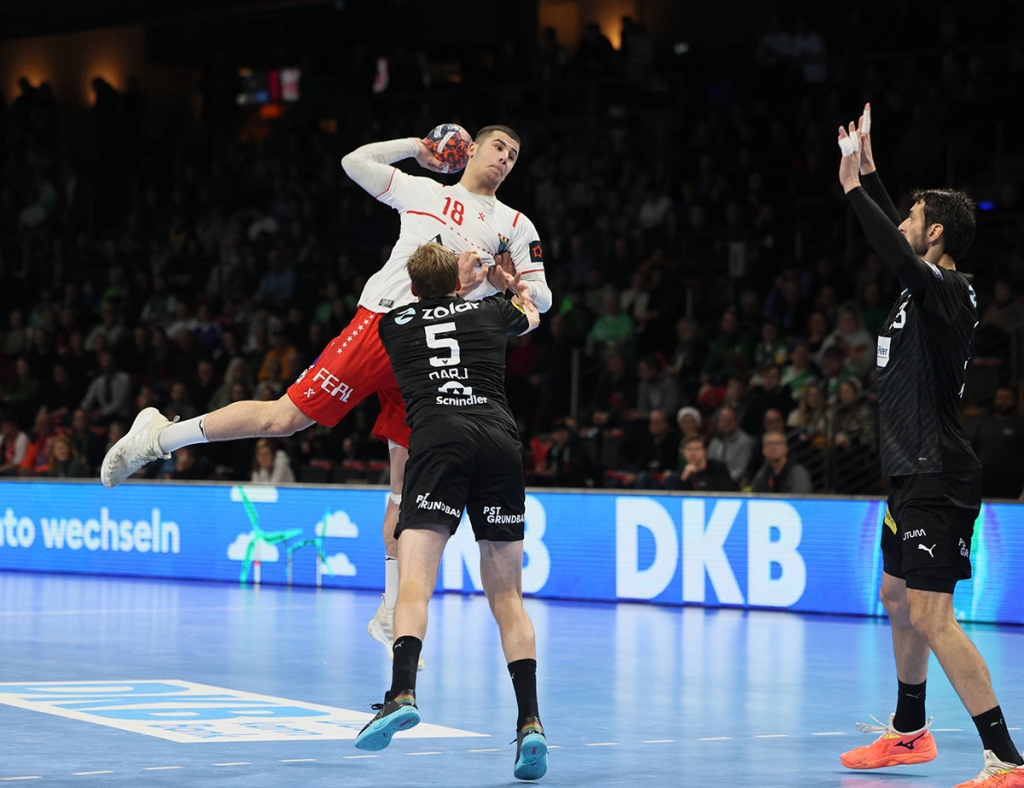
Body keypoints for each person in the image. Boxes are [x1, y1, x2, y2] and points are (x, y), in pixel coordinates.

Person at [100, 124, 551, 672]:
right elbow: (353, 162)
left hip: (436, 348)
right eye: (499, 147)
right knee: (285, 418)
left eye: (514, 155)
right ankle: (159, 437)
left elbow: (542, 297)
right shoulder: (426, 192)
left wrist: (507, 283)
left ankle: (391, 610)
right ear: (472, 148)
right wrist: (417, 150)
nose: (505, 159)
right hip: (384, 324)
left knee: (407, 486)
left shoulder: (515, 225)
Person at [836, 104, 1024, 787]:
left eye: (913, 218)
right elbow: (902, 238)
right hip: (907, 472)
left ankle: (1006, 758)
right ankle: (910, 731)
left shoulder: (946, 289)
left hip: (937, 473)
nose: (901, 225)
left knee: (932, 615)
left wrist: (851, 189)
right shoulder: (926, 286)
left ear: (935, 233)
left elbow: (894, 246)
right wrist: (871, 171)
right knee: (895, 596)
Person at [354, 242, 547, 781]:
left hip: (439, 443)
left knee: (415, 586)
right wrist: (505, 285)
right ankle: (530, 722)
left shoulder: (393, 325)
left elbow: (422, 307)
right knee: (508, 597)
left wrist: (456, 286)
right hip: (497, 442)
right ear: (460, 283)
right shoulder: (491, 311)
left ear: (414, 287)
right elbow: (532, 312)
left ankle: (402, 693)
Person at [964, 386, 1024, 499]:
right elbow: (969, 454)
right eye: (1000, 398)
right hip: (984, 487)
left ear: (1014, 401)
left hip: (1014, 488)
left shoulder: (1021, 426)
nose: (1003, 401)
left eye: (1008, 398)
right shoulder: (981, 424)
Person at [663, 435, 738, 492]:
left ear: (705, 452)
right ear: (684, 453)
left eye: (697, 449)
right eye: (689, 449)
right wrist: (684, 478)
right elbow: (677, 502)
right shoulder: (681, 475)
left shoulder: (719, 469)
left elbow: (729, 492)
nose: (693, 453)